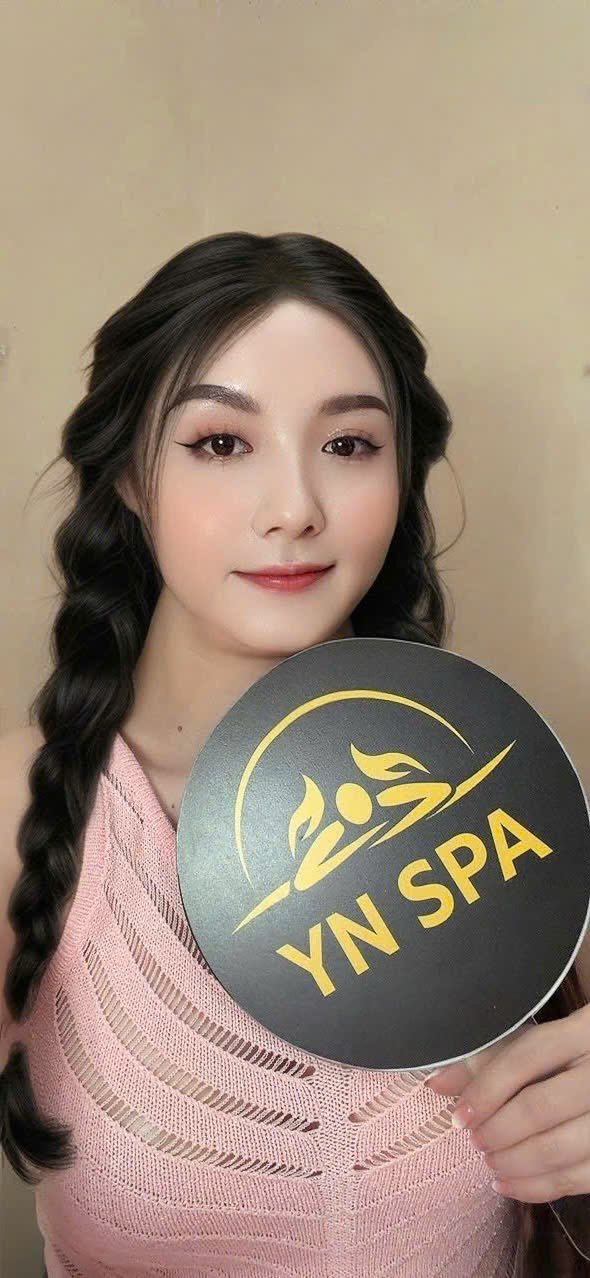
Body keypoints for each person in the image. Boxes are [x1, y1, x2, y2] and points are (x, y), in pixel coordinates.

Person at [0, 232, 585, 1277]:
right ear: (127, 474)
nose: (294, 510)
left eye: (349, 444)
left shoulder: (507, 777)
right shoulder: (22, 810)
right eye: (222, 442)